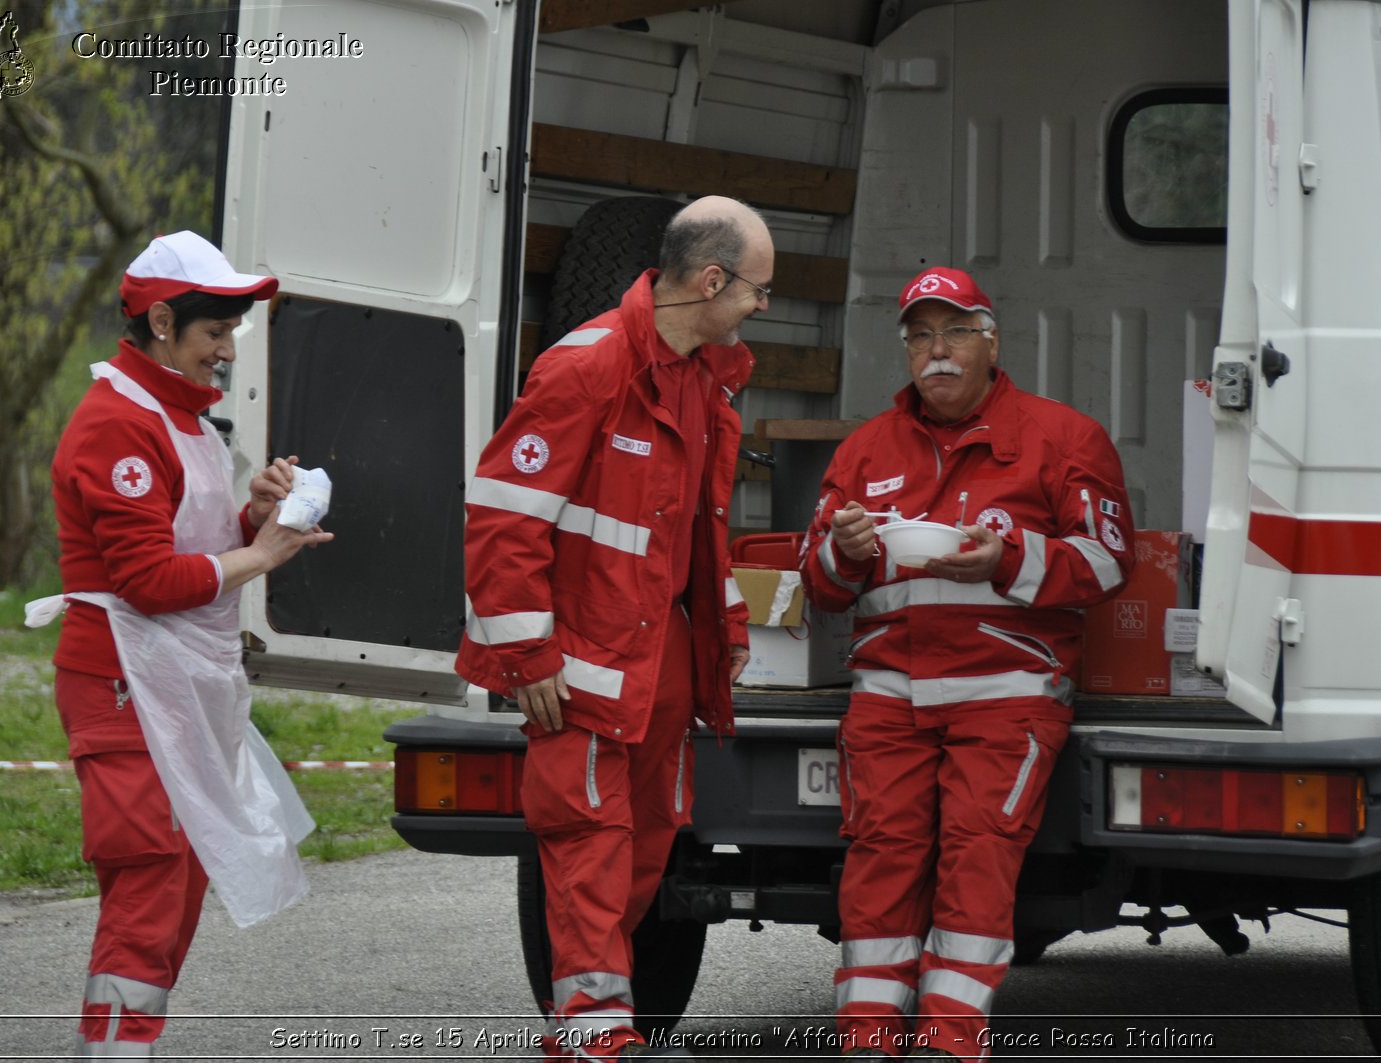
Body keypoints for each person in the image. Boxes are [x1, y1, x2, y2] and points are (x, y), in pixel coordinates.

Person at [455, 196, 772, 1060]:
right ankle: (598, 1034)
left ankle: (589, 1022)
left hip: (662, 666)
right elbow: (502, 517)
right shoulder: (586, 367)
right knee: (589, 846)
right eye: (756, 288)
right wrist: (526, 653)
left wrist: (726, 625)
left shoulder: (706, 379)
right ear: (711, 280)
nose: (762, 306)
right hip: (583, 667)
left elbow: (695, 529)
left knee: (644, 850)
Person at [799, 267, 1135, 1060]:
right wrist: (843, 556)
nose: (936, 351)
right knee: (880, 859)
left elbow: (1109, 561)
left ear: (991, 340)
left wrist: (1005, 558)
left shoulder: (1064, 436)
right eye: (920, 335)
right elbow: (818, 581)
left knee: (977, 860)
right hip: (887, 697)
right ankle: (868, 1041)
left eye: (953, 332)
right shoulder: (865, 448)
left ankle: (951, 1043)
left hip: (1008, 694)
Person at [35, 231, 332, 1058]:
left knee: (179, 877)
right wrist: (261, 553)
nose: (227, 351)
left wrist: (262, 519)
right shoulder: (115, 423)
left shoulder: (182, 419)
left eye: (232, 333)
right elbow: (148, 580)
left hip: (174, 683)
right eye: (215, 334)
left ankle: (129, 1043)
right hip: (123, 681)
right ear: (161, 321)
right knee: (151, 874)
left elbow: (194, 542)